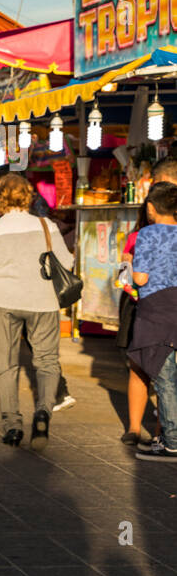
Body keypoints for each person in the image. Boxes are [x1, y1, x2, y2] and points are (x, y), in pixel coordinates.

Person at [0, 173, 73, 450]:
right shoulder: (46, 225)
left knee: (6, 363)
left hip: (4, 302)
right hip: (43, 301)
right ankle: (44, 412)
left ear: (0, 199)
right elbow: (68, 263)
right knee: (47, 361)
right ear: (28, 196)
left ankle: (12, 425)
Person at [129, 181, 177, 462]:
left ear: (151, 207)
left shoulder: (147, 234)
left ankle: (172, 441)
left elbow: (140, 278)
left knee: (164, 376)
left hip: (157, 309)